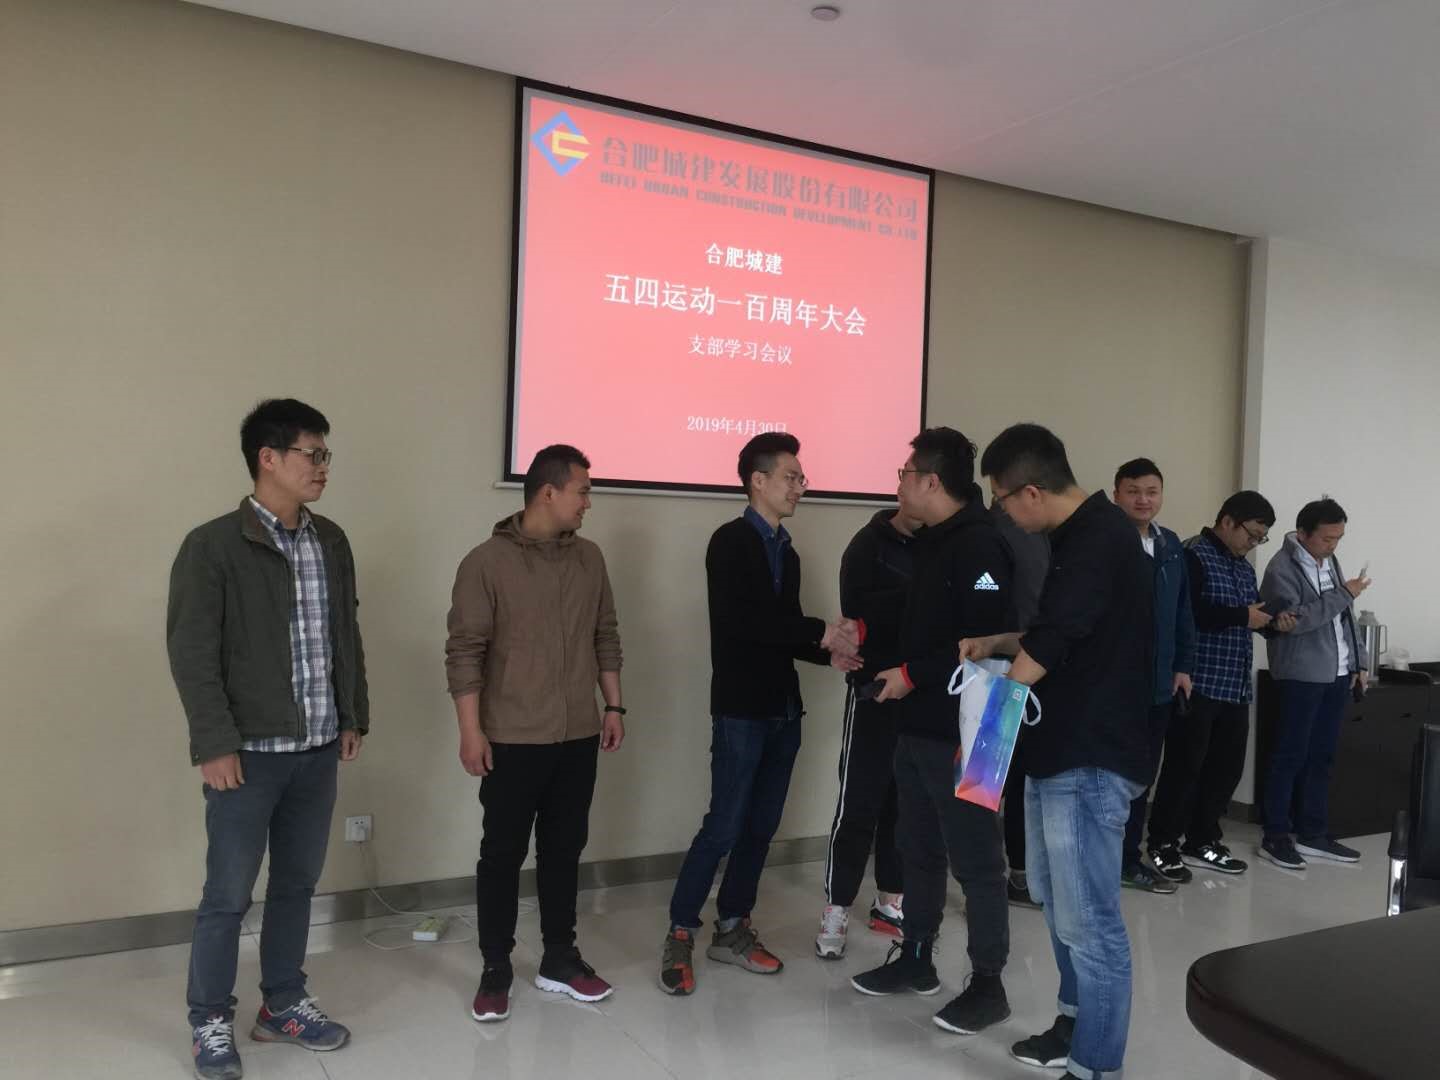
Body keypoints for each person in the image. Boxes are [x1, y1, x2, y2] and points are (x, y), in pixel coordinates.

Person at [168, 398, 367, 1080]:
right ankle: (209, 1019)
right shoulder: (212, 546)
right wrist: (213, 742)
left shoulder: (330, 540)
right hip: (247, 754)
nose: (323, 466)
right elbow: (193, 653)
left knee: (297, 886)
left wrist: (352, 714)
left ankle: (282, 1003)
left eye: (325, 454)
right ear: (269, 458)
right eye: (313, 454)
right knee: (227, 895)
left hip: (316, 749)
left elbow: (345, 635)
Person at [961, 423, 1153, 1080]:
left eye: (1003, 501)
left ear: (1032, 492)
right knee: (1057, 901)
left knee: (1090, 919)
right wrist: (997, 643)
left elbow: (1059, 636)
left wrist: (990, 734)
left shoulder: (1100, 537)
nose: (1005, 515)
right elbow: (1057, 629)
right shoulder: (1077, 538)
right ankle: (1073, 1025)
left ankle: (1096, 1066)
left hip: (1090, 758)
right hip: (1059, 750)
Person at [659, 432, 860, 996]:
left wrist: (828, 653)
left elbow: (783, 632)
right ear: (758, 481)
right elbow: (743, 625)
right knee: (724, 824)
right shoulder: (730, 542)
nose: (800, 486)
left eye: (801, 478)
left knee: (760, 827)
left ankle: (732, 928)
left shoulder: (786, 552)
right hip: (741, 710)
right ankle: (680, 931)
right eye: (792, 477)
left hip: (783, 710)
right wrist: (820, 632)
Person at [446, 445, 625, 1023]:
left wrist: (614, 705)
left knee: (564, 849)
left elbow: (605, 634)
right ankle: (496, 965)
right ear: (548, 492)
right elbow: (465, 653)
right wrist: (471, 732)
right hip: (511, 737)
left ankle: (559, 958)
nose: (588, 503)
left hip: (578, 733)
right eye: (583, 492)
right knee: (501, 854)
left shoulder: (589, 559)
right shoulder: (486, 563)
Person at [852, 427, 1015, 1039]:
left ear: (931, 481)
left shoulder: (982, 545)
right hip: (919, 722)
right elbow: (924, 626)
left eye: (904, 474)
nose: (898, 484)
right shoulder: (932, 541)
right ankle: (916, 957)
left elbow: (986, 644)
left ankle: (988, 985)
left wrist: (911, 674)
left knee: (978, 861)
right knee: (915, 846)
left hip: (981, 724)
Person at [1147, 491, 1293, 881]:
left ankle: (1202, 839)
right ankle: (1162, 842)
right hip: (1197, 682)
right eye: (1252, 534)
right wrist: (1241, 616)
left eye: (1261, 538)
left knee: (1225, 770)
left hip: (1235, 686)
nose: (1254, 543)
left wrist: (1273, 624)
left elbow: (1251, 615)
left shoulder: (1243, 568)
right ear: (1227, 521)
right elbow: (1188, 613)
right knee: (1184, 768)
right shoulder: (1192, 554)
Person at [815, 501, 920, 958]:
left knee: (905, 802)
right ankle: (837, 907)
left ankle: (889, 901)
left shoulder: (943, 543)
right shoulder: (867, 546)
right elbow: (857, 626)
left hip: (921, 693)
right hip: (874, 693)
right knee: (858, 802)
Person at [1257, 497, 1370, 870]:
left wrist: (1359, 661)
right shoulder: (1281, 567)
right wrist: (1345, 593)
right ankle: (1275, 835)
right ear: (1303, 533)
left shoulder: (1330, 562)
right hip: (1300, 674)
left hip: (1337, 671)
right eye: (1327, 538)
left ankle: (1313, 834)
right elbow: (1296, 621)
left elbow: (1345, 616)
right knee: (1289, 755)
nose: (1333, 545)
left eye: (1338, 539)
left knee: (1322, 756)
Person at [1111, 459, 1196, 895]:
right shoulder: (1105, 541)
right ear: (1116, 495)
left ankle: (1129, 857)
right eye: (1133, 491)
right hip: (1117, 686)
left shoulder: (1171, 544)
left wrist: (1183, 665)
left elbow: (1183, 611)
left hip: (1160, 685)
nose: (1143, 500)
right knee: (1114, 777)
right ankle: (1112, 858)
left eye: (1151, 491)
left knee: (1143, 776)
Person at [993, 502, 1051, 909]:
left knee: (1020, 778)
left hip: (1035, 668)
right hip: (1003, 670)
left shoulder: (1045, 531)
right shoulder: (1000, 531)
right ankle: (1003, 877)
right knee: (991, 781)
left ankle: (1019, 872)